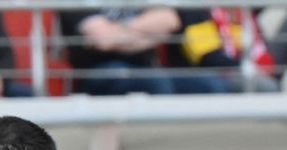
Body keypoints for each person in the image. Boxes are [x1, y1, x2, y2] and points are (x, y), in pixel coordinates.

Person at [59, 3, 194, 95]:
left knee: (202, 82)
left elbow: (170, 21)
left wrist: (118, 29)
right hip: (98, 72)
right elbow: (103, 40)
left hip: (147, 69)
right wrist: (149, 32)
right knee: (155, 82)